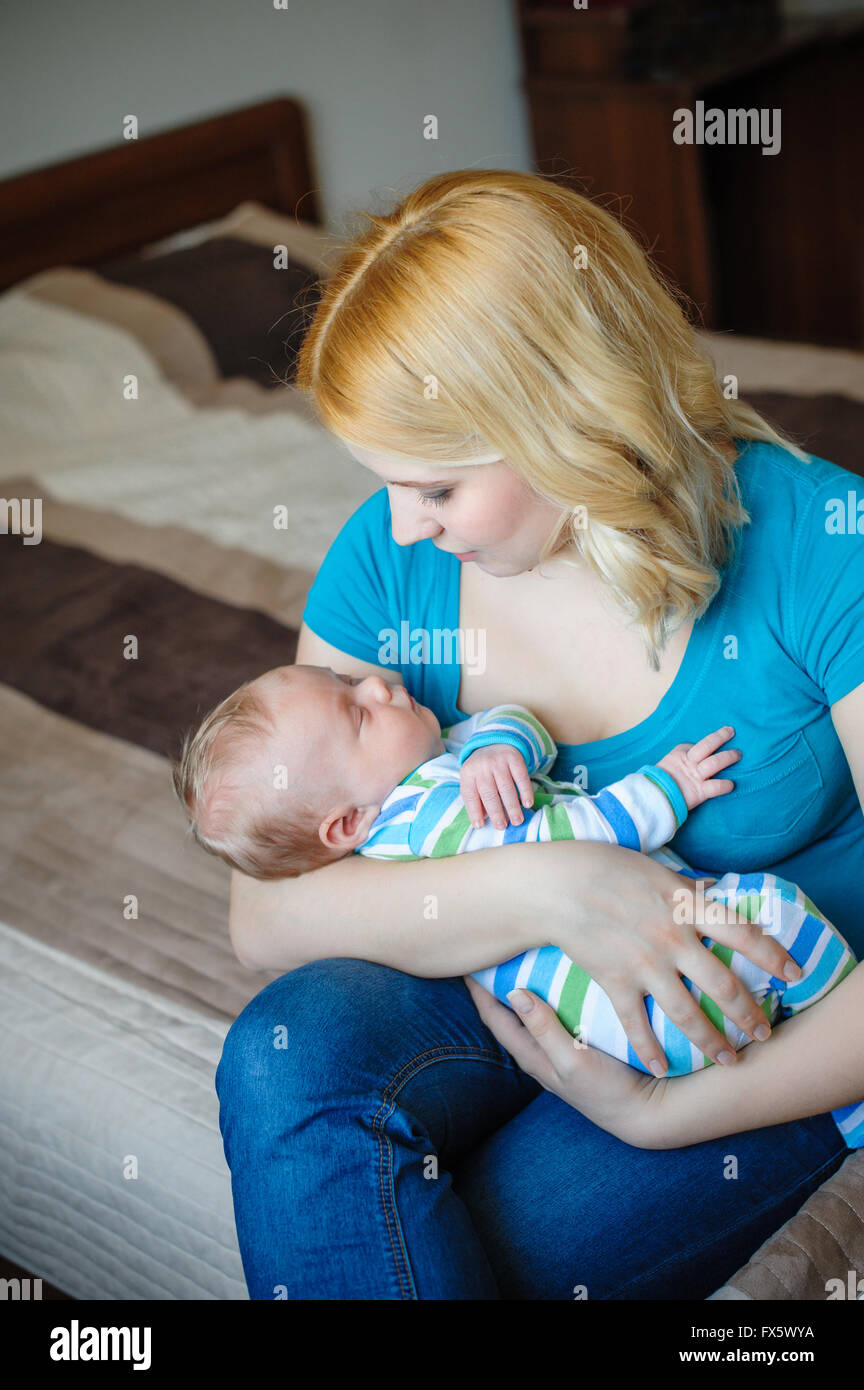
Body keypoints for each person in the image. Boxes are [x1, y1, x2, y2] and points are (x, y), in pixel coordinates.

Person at [215, 169, 864, 1300]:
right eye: (389, 487)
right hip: (512, 959)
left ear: (559, 415)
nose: (404, 526)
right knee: (288, 1056)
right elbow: (268, 907)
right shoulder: (392, 555)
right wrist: (564, 885)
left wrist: (671, 1115)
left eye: (437, 489)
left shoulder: (821, 542)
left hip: (757, 1007)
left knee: (499, 1254)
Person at [175, 670, 856, 1082]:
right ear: (346, 826)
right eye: (357, 711)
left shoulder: (432, 771)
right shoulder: (430, 824)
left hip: (630, 1009)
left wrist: (499, 745)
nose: (376, 683)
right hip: (644, 1004)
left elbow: (514, 722)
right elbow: (572, 844)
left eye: (348, 681)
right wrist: (667, 788)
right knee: (780, 918)